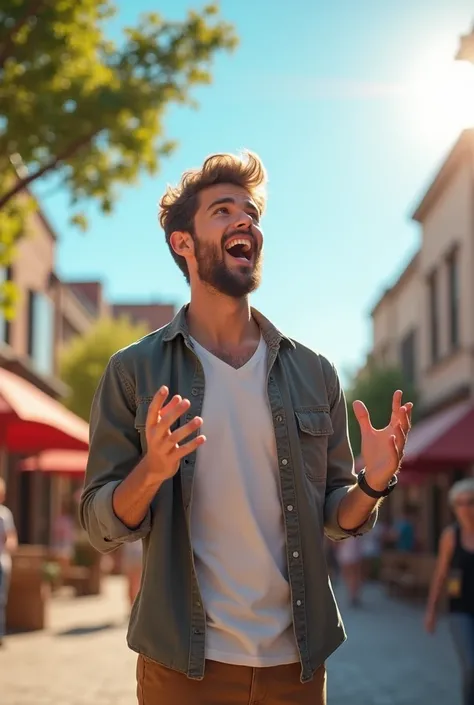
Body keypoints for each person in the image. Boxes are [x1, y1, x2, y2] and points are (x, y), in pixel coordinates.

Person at [80, 151, 413, 705]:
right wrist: (152, 470)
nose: (246, 222)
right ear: (182, 244)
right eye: (223, 210)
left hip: (296, 667)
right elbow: (99, 522)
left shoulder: (314, 373)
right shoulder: (134, 372)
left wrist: (372, 484)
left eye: (253, 214)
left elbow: (336, 516)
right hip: (183, 668)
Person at [425, 478, 474, 705]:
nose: (466, 508)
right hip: (460, 611)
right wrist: (432, 611)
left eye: (470, 502)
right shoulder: (450, 536)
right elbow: (441, 575)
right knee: (471, 665)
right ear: (454, 507)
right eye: (460, 503)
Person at [0, 478, 18, 647]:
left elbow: (11, 537)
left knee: (0, 599)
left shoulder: (4, 514)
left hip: (1, 561)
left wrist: (10, 545)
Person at [336, 536, 364, 607]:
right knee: (353, 575)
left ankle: (353, 595)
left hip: (349, 552)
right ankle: (353, 595)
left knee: (352, 575)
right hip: (350, 552)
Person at [121, 538, 143, 609]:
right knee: (132, 583)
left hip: (137, 556)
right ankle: (132, 607)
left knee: (136, 584)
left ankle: (135, 607)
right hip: (132, 556)